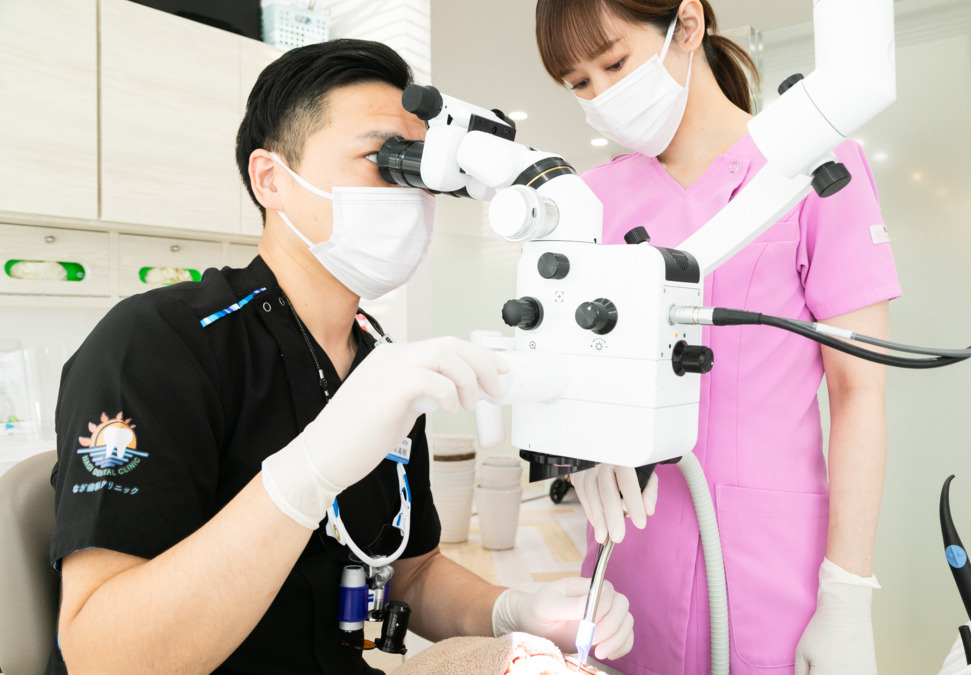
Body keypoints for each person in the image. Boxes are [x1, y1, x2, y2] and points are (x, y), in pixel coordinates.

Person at [47, 39, 634, 674]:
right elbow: (102, 657)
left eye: (419, 169)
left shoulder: (377, 359)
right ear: (271, 178)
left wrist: (512, 610)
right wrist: (307, 473)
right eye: (381, 158)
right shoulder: (157, 342)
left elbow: (409, 577)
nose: (409, 190)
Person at [534, 1, 901, 674]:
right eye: (578, 83)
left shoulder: (812, 168)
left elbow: (859, 391)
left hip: (768, 561)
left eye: (613, 62)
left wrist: (846, 592)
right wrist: (573, 447)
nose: (602, 95)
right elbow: (561, 373)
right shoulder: (590, 199)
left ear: (689, 24)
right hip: (624, 561)